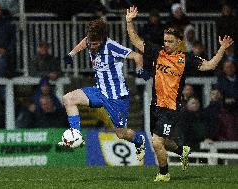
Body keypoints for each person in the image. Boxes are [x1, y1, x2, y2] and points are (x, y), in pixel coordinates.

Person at [126, 6, 234, 181]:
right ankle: (181, 150)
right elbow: (136, 41)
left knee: (156, 142)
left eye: (169, 41)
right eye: (165, 40)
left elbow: (210, 65)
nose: (166, 44)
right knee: (162, 141)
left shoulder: (185, 59)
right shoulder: (157, 52)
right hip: (156, 105)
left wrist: (222, 48)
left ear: (178, 42)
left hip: (171, 107)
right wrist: (129, 21)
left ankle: (164, 174)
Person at [58, 19, 146, 162]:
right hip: (99, 91)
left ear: (103, 39)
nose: (92, 47)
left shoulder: (112, 46)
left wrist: (140, 70)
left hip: (116, 97)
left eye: (95, 44)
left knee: (121, 134)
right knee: (68, 98)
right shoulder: (91, 40)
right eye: (91, 44)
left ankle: (139, 140)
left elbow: (137, 56)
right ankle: (77, 135)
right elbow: (84, 42)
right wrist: (71, 54)